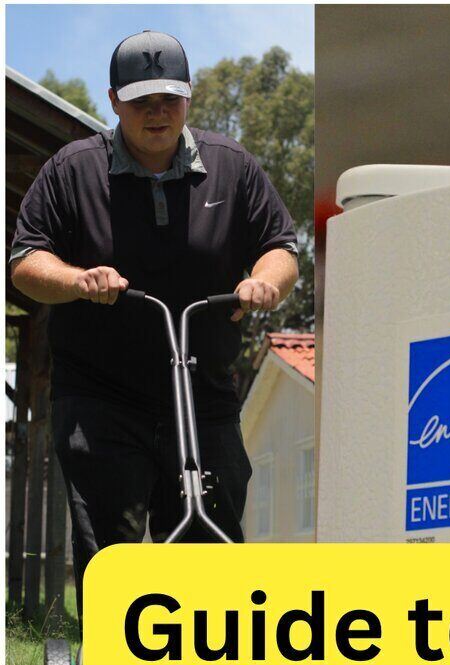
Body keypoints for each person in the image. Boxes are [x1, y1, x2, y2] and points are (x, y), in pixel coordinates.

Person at [8, 31, 299, 621]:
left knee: (210, 535)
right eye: (141, 100)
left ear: (188, 96)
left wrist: (264, 281)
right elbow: (24, 263)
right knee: (111, 543)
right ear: (114, 100)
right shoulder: (74, 171)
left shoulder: (231, 167)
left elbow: (281, 247)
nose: (157, 112)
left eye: (169, 97)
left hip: (203, 392)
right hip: (101, 395)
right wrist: (78, 281)